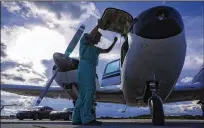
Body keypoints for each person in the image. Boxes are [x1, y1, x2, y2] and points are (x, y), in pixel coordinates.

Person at [72, 24, 118, 125]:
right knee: (89, 91)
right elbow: (91, 35)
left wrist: (114, 42)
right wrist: (99, 25)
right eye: (99, 37)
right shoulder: (84, 41)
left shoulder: (95, 49)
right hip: (86, 66)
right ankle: (87, 118)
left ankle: (77, 118)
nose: (99, 40)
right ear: (94, 36)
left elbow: (107, 50)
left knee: (82, 94)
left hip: (89, 68)